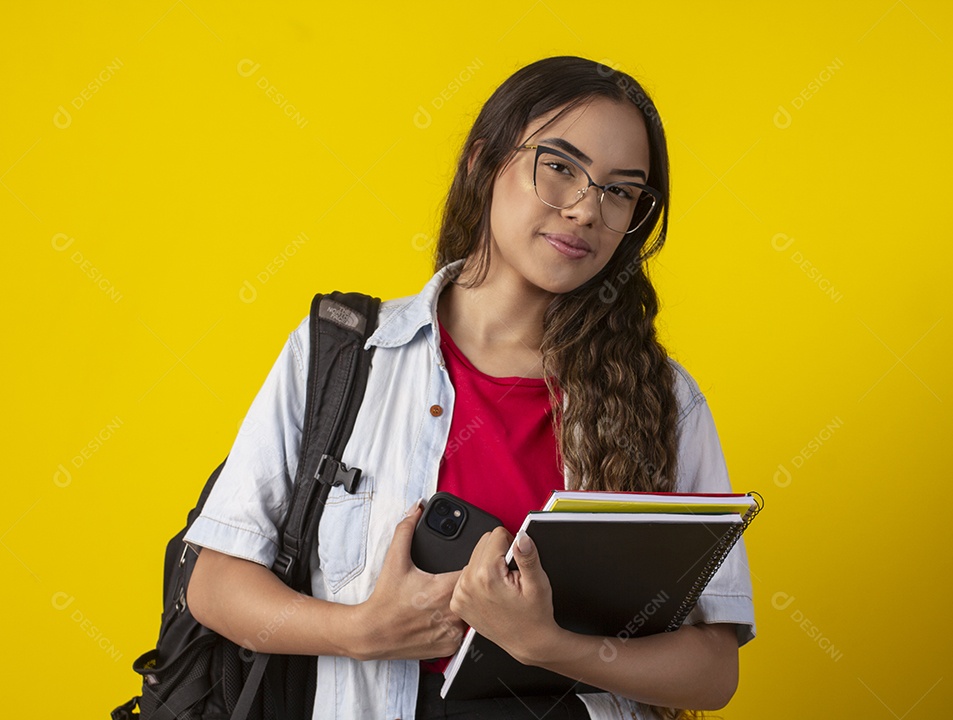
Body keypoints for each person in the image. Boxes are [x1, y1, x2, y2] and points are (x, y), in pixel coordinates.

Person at [184, 55, 755, 720]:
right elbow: (215, 583)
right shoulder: (343, 353)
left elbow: (714, 670)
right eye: (560, 167)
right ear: (483, 163)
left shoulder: (665, 399)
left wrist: (548, 644)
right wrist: (362, 630)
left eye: (620, 191)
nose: (584, 210)